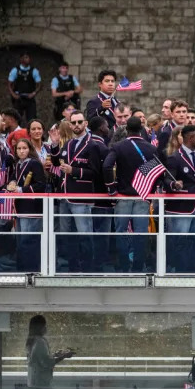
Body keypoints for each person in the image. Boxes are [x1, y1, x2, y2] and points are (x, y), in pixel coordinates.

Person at [103, 117, 164, 272]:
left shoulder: (118, 146)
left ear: (126, 129)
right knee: (141, 233)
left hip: (123, 195)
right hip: (143, 196)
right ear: (140, 128)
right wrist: (151, 187)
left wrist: (111, 188)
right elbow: (159, 172)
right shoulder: (150, 148)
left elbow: (107, 166)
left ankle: (123, 265)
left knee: (121, 232)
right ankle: (138, 266)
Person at [49, 110, 100, 273]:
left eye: (80, 122)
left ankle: (88, 268)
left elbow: (95, 172)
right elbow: (57, 163)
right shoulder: (69, 143)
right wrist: (55, 144)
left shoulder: (92, 145)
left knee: (85, 233)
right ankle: (72, 266)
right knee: (66, 234)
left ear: (85, 123)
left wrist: (74, 171)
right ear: (69, 125)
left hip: (81, 196)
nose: (77, 125)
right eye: (74, 123)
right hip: (64, 195)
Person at [164, 125, 195, 273]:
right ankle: (179, 270)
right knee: (179, 240)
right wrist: (174, 184)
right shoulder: (174, 157)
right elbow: (167, 179)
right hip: (180, 207)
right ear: (190, 138)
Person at [8, 138, 45, 272]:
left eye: (24, 148)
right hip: (20, 208)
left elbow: (41, 185)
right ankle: (21, 270)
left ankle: (32, 271)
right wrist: (11, 183)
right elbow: (13, 177)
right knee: (21, 241)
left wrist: (21, 189)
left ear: (29, 149)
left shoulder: (34, 164)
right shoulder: (18, 164)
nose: (22, 151)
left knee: (29, 241)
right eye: (19, 148)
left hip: (32, 209)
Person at [26, 315, 74, 389]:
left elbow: (39, 358)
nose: (46, 328)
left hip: (34, 382)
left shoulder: (32, 341)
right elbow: (46, 363)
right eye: (44, 325)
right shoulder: (40, 342)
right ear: (40, 327)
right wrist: (64, 356)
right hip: (41, 384)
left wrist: (55, 354)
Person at [88, 116, 114, 272]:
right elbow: (104, 172)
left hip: (90, 196)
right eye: (106, 125)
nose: (108, 128)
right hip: (101, 197)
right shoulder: (102, 148)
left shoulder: (89, 143)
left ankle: (94, 262)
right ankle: (99, 264)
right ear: (100, 128)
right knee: (101, 233)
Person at [7, 51, 41, 123]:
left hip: (29, 98)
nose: (28, 59)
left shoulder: (33, 70)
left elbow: (39, 84)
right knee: (16, 119)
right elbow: (9, 84)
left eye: (28, 57)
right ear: (21, 59)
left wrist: (34, 93)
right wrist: (13, 95)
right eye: (26, 57)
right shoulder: (15, 70)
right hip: (19, 98)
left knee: (32, 120)